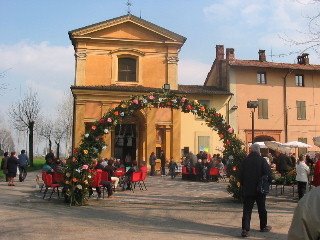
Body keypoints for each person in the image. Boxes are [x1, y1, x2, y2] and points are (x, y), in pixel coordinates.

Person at [240, 143, 272, 238]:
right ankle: (263, 226)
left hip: (248, 189)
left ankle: (245, 229)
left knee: (247, 210)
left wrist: (244, 185)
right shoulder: (262, 161)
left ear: (250, 150)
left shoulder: (245, 161)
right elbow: (268, 174)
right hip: (260, 190)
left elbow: (240, 175)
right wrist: (267, 184)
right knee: (262, 209)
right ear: (258, 151)